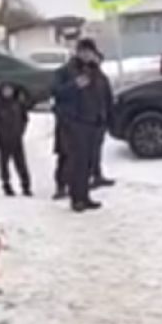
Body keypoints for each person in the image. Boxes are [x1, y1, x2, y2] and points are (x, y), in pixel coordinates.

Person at [52, 39, 108, 212]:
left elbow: (104, 93)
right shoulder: (66, 71)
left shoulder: (96, 71)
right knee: (77, 162)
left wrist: (105, 116)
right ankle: (76, 198)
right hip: (75, 122)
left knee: (89, 161)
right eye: (82, 51)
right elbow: (55, 91)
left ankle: (85, 196)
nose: (86, 54)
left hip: (94, 122)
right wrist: (74, 85)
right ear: (77, 52)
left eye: (89, 51)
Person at [0, 82, 32, 197]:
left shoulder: (18, 104)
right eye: (5, 90)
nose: (7, 92)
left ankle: (26, 185)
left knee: (21, 162)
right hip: (3, 139)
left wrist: (21, 131)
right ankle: (6, 184)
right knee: (4, 163)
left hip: (17, 137)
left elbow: (25, 118)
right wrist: (1, 131)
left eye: (9, 90)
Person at [90, 52, 116, 188]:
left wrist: (109, 117)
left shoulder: (101, 77)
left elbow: (108, 98)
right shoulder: (88, 77)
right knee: (89, 151)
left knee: (97, 149)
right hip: (89, 120)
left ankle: (97, 175)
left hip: (101, 118)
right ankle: (89, 176)